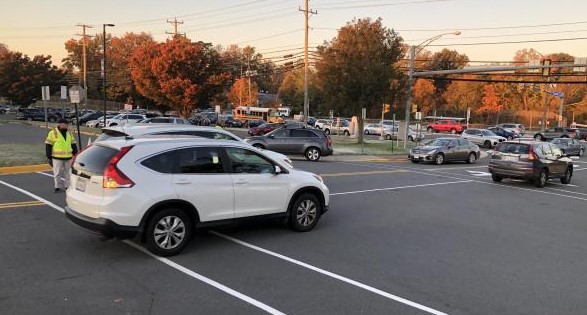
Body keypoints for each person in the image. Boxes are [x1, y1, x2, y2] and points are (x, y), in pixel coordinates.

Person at [45, 118, 78, 192]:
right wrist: (49, 156)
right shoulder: (53, 133)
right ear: (60, 124)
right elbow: (48, 145)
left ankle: (67, 186)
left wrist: (76, 154)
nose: (67, 126)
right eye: (66, 124)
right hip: (57, 157)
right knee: (57, 173)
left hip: (68, 157)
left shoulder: (69, 133)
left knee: (68, 173)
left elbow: (73, 144)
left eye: (67, 124)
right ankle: (57, 187)